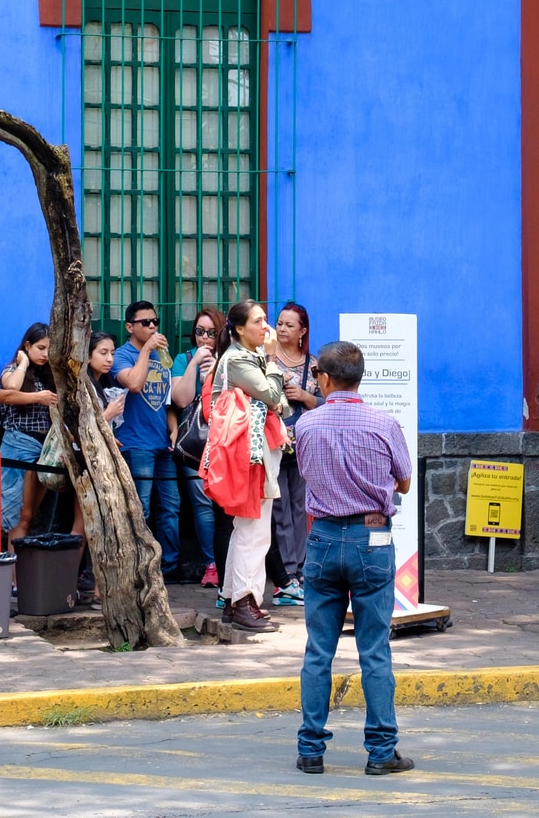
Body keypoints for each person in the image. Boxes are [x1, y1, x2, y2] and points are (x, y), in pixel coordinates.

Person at [292, 339, 415, 776]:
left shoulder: (306, 425)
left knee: (318, 650)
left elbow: (306, 473)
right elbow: (402, 483)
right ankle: (381, 753)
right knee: (375, 651)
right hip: (372, 537)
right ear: (360, 378)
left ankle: (311, 749)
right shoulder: (384, 424)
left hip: (324, 538)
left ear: (322, 379)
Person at [212, 299, 288, 632]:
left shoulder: (248, 358)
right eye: (258, 321)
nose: (266, 327)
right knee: (253, 530)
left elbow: (278, 399)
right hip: (247, 452)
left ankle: (236, 599)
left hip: (254, 449)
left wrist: (275, 388)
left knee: (251, 528)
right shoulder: (240, 359)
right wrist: (273, 360)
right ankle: (244, 601)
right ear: (239, 329)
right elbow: (275, 398)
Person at [111, 300, 181, 582]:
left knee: (171, 506)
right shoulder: (121, 355)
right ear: (130, 327)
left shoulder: (162, 355)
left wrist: (173, 427)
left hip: (161, 442)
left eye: (155, 322)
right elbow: (135, 384)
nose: (152, 326)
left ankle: (169, 567)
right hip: (135, 442)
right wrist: (148, 349)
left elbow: (166, 400)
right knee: (141, 506)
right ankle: (139, 566)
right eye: (145, 323)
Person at [267, 303, 322, 604]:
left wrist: (305, 396)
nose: (283, 329)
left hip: (304, 446)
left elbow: (328, 402)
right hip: (275, 444)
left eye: (290, 325)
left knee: (301, 509)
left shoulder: (313, 364)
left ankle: (301, 570)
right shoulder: (267, 360)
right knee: (280, 508)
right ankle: (287, 573)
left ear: (303, 330)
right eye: (280, 323)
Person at [170, 307, 225, 586]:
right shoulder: (183, 359)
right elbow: (180, 400)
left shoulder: (230, 359)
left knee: (225, 503)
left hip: (226, 440)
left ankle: (228, 563)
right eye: (199, 332)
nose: (205, 338)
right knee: (201, 502)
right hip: (196, 442)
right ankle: (211, 563)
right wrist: (194, 366)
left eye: (211, 333)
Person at [0, 323, 60, 539]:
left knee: (30, 515)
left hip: (44, 450)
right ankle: (13, 572)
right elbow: (11, 389)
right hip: (18, 445)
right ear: (27, 345)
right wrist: (22, 362)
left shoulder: (50, 376)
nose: (45, 354)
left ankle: (22, 570)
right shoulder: (12, 370)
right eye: (41, 348)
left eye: (49, 349)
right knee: (18, 516)